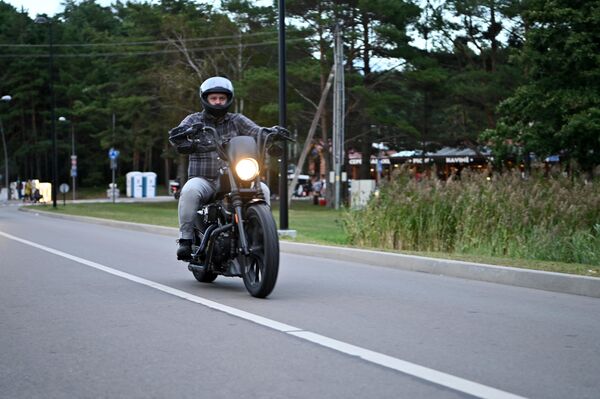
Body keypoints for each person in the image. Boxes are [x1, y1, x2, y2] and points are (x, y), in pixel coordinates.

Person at [168, 76, 271, 261]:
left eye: (221, 98)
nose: (218, 102)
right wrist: (183, 138)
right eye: (214, 98)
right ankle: (185, 239)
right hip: (204, 179)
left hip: (235, 178)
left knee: (263, 189)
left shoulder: (237, 121)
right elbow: (177, 135)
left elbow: (256, 131)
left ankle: (263, 235)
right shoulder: (194, 120)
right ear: (205, 99)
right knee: (190, 190)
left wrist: (270, 133)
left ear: (228, 99)